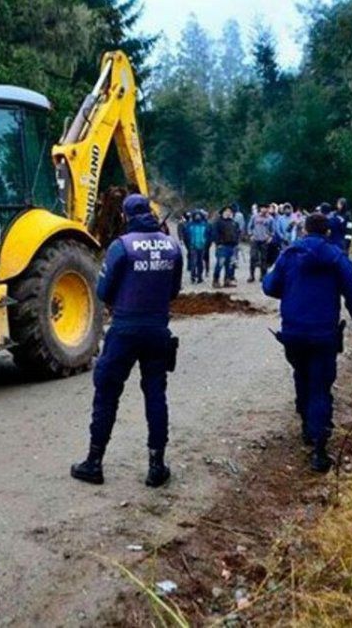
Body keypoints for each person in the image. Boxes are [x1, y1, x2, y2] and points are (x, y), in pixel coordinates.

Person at [72, 194, 181, 487]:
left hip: (124, 331)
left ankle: (94, 463)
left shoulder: (122, 246)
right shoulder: (172, 246)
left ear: (125, 215)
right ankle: (156, 466)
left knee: (107, 394)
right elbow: (174, 290)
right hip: (157, 330)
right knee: (156, 395)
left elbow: (103, 291)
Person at [263, 213, 352, 473]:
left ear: (304, 229)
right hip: (324, 334)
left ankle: (306, 425)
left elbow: (269, 286)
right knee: (321, 386)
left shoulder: (289, 254)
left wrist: (291, 288)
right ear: (327, 232)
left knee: (301, 376)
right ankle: (320, 449)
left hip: (293, 333)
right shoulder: (335, 257)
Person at [212, 206, 240, 287]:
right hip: (222, 246)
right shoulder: (218, 222)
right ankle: (216, 280)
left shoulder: (234, 223)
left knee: (230, 265)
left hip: (232, 246)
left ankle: (227, 280)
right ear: (222, 212)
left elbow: (237, 233)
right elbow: (215, 234)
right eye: (226, 211)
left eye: (230, 211)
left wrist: (236, 242)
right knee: (220, 264)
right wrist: (218, 243)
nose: (228, 213)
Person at [247, 204, 276, 282]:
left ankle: (263, 275)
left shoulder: (270, 219)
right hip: (255, 240)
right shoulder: (254, 217)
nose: (264, 209)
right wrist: (251, 235)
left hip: (264, 240)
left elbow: (273, 230)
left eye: (266, 208)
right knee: (253, 257)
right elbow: (249, 226)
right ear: (260, 208)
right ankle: (251, 275)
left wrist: (270, 237)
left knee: (264, 258)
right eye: (263, 208)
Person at [184, 209, 211, 284]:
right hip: (193, 247)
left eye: (199, 215)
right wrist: (188, 246)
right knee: (193, 262)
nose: (197, 216)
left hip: (202, 246)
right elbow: (186, 236)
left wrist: (206, 244)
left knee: (200, 263)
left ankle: (200, 277)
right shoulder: (189, 225)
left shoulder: (205, 225)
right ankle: (193, 277)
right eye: (196, 215)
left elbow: (209, 235)